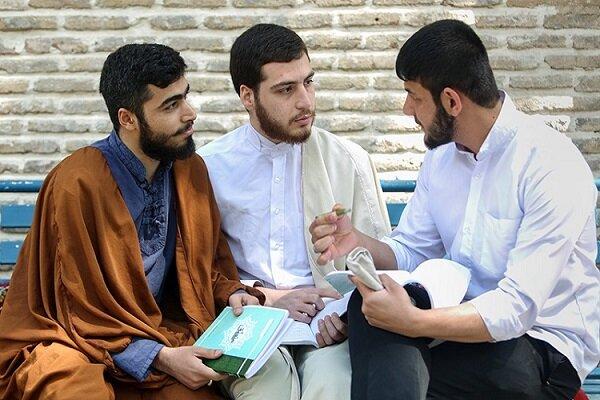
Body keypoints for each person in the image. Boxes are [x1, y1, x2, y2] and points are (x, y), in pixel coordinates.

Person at [310, 19, 600, 400]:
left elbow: (515, 309)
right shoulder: (441, 159)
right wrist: (357, 242)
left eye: (414, 96)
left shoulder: (550, 164)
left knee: (387, 371)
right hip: (458, 331)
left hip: (540, 347)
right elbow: (413, 250)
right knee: (369, 306)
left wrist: (414, 321)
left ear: (451, 101)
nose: (407, 109)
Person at [0, 43, 264, 400]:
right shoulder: (77, 183)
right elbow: (77, 307)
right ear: (128, 119)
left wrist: (232, 292)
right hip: (70, 339)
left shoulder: (189, 168)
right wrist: (161, 358)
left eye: (185, 97)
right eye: (170, 105)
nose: (190, 114)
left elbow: (204, 267)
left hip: (158, 330)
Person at [198, 24, 390, 400]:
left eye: (308, 82)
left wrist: (347, 315)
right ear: (248, 96)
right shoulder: (209, 167)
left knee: (334, 386)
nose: (305, 101)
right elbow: (198, 271)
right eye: (286, 89)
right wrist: (267, 298)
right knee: (267, 392)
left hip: (328, 325)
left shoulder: (348, 160)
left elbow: (380, 268)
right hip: (246, 320)